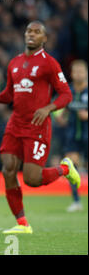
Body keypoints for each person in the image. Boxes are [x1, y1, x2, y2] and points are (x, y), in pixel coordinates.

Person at [0, 21, 81, 234]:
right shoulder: (14, 63)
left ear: (44, 39)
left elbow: (67, 94)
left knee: (32, 179)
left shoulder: (49, 64)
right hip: (15, 123)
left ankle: (65, 168)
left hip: (37, 126)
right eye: (29, 31)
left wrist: (48, 108)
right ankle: (22, 224)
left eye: (37, 32)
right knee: (8, 169)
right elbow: (11, 93)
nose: (32, 34)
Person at [59, 60, 88, 212]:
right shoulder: (68, 91)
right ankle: (76, 201)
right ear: (72, 74)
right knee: (70, 167)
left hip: (87, 134)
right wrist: (60, 117)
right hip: (72, 135)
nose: (78, 74)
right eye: (76, 72)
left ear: (86, 74)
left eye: (81, 72)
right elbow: (62, 110)